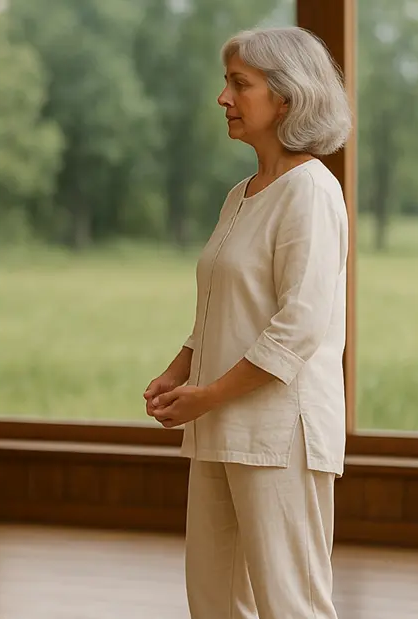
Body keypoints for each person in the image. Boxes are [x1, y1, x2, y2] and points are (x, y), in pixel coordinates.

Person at [142, 25, 352, 619]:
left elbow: (299, 328)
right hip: (219, 430)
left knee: (292, 605)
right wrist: (180, 370)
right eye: (225, 82)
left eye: (240, 84)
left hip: (280, 435)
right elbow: (222, 307)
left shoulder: (311, 191)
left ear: (286, 98)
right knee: (213, 602)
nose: (223, 98)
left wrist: (206, 395)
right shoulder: (241, 194)